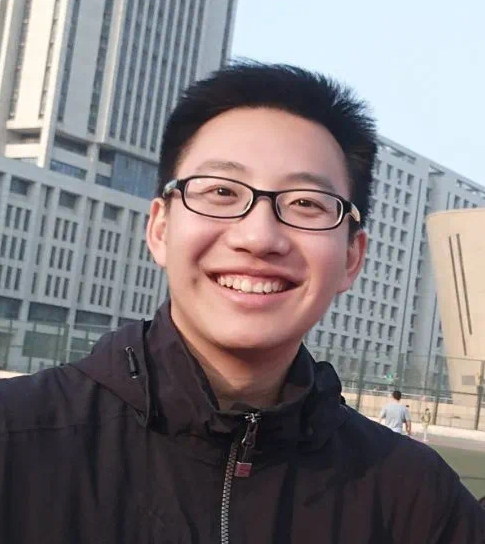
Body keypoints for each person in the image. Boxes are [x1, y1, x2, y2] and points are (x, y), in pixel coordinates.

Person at [0, 62, 484, 543]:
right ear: (160, 228)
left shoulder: (419, 502)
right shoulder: (16, 438)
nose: (258, 237)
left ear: (351, 257)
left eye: (306, 203)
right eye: (222, 191)